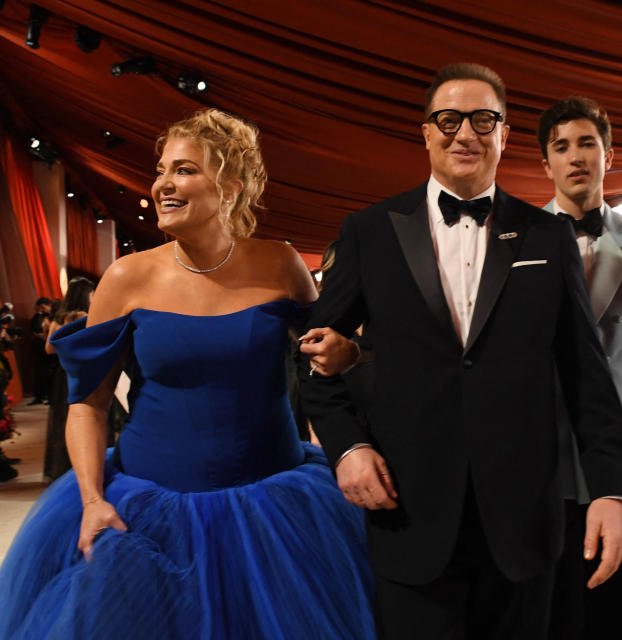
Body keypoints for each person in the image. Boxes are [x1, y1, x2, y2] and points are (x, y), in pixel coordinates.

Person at [0, 109, 375, 640]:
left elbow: (326, 355)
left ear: (231, 186)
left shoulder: (280, 263)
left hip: (276, 506)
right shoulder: (127, 277)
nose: (163, 185)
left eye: (184, 170)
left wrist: (345, 353)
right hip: (149, 507)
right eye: (161, 170)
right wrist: (91, 500)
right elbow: (88, 405)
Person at [299, 63, 622, 640]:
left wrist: (610, 488)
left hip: (523, 521)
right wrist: (347, 446)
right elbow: (310, 356)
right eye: (449, 120)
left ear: (504, 135)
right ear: (426, 132)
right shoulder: (370, 231)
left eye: (484, 119)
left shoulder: (548, 237)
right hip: (407, 512)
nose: (466, 134)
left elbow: (585, 372)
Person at [538, 96, 622, 640]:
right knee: (550, 607)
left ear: (609, 154)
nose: (575, 157)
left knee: (615, 607)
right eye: (561, 146)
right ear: (546, 163)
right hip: (543, 449)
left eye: (587, 143)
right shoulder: (519, 236)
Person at [43, 276, 96, 483]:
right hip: (81, 372)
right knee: (84, 418)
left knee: (62, 420)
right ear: (85, 294)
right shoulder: (86, 316)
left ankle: (62, 469)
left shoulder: (58, 318)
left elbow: (48, 349)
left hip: (62, 373)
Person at [29, 297, 52, 405]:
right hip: (40, 350)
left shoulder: (52, 317)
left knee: (48, 373)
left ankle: (48, 396)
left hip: (49, 351)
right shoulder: (38, 317)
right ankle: (41, 396)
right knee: (40, 373)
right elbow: (36, 330)